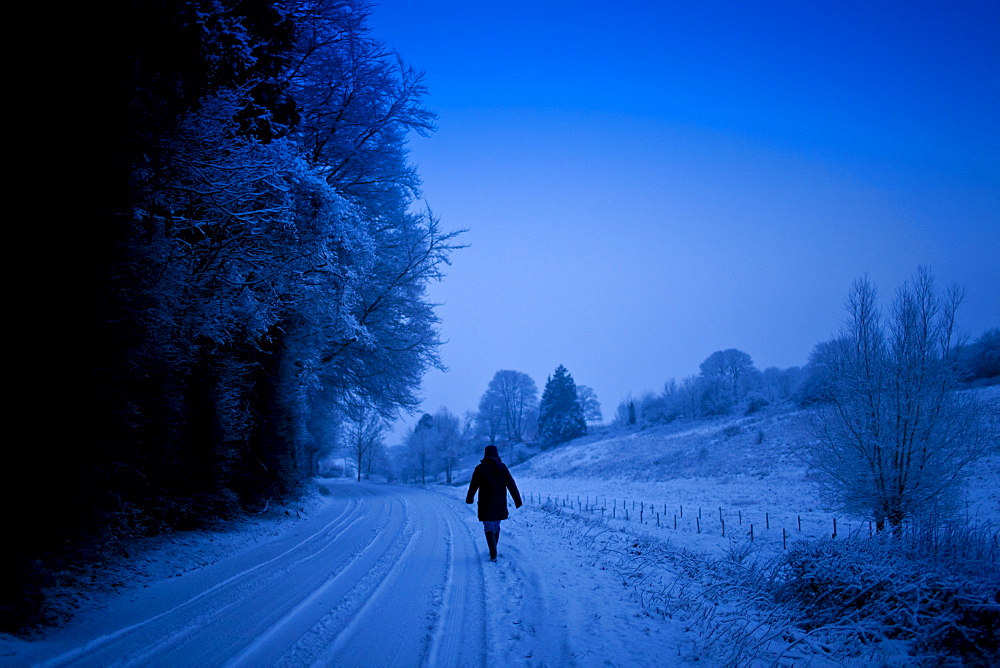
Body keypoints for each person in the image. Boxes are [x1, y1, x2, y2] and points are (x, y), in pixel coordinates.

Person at [466, 445, 522, 561]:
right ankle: (494, 550)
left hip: (485, 503)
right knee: (496, 525)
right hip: (499, 502)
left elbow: (473, 485)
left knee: (488, 526)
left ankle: (493, 552)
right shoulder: (502, 467)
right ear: (497, 454)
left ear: (485, 454)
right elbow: (511, 484)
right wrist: (517, 500)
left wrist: (470, 498)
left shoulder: (480, 468)